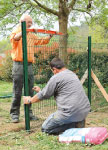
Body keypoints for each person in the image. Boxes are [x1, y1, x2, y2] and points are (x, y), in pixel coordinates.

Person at [23, 57, 91, 135]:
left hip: (69, 112)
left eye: (52, 71)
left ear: (54, 69)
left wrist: (29, 100)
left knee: (45, 129)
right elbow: (56, 92)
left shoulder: (56, 77)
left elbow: (43, 95)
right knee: (70, 115)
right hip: (84, 110)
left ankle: (74, 125)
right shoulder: (72, 74)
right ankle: (78, 121)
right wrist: (40, 91)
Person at [10, 14, 53, 123]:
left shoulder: (31, 35)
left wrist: (48, 37)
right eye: (29, 22)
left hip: (29, 65)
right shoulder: (16, 32)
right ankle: (14, 114)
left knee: (30, 89)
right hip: (18, 65)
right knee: (17, 91)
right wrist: (24, 31)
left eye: (31, 22)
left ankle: (29, 113)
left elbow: (40, 41)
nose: (31, 24)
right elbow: (15, 38)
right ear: (22, 22)